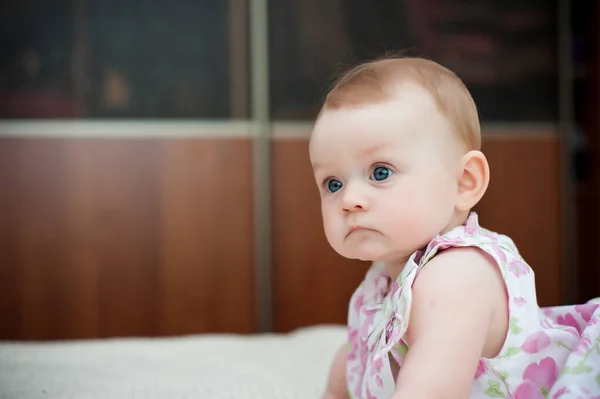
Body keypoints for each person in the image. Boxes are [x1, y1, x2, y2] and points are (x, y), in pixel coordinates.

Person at [309, 56, 600, 399]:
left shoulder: (456, 274)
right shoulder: (386, 279)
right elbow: (368, 358)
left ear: (464, 182)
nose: (349, 199)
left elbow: (433, 391)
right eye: (332, 183)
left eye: (380, 172)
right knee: (345, 362)